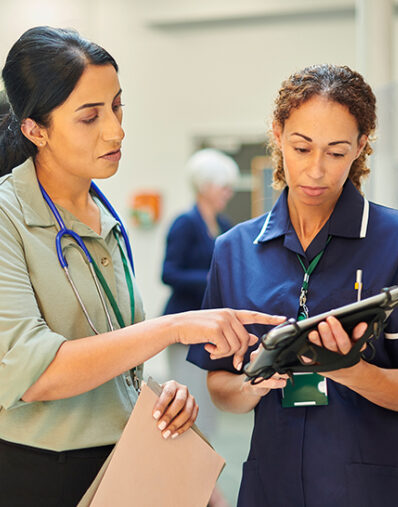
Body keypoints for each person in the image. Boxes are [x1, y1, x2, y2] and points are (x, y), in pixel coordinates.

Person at [0, 26, 283, 507]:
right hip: (23, 475)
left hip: (116, 467)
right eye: (90, 117)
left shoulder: (104, 218)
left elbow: (112, 356)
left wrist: (156, 395)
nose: (116, 130)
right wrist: (174, 327)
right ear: (34, 129)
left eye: (118, 106)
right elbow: (35, 373)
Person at [187, 64, 398, 507]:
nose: (315, 170)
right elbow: (221, 386)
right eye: (301, 147)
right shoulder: (234, 249)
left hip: (368, 487)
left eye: (336, 152)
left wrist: (347, 368)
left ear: (361, 147)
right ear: (277, 135)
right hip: (270, 484)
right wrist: (252, 385)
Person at [161, 148, 238, 507]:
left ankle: (201, 490)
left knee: (206, 418)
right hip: (183, 333)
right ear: (206, 185)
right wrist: (212, 278)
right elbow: (169, 272)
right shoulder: (185, 224)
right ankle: (209, 496)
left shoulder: (222, 226)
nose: (228, 193)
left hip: (211, 337)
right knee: (189, 419)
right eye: (223, 186)